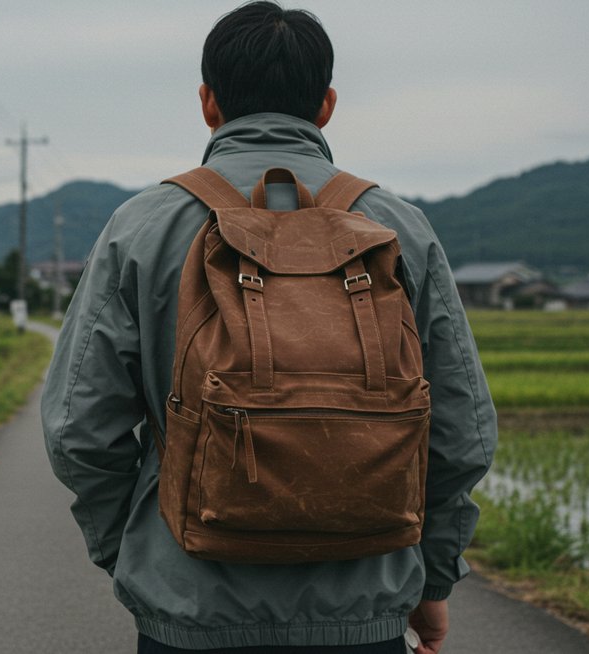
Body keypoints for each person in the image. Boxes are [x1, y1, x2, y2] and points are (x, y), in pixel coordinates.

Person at [40, 2, 496, 653]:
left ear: (208, 102)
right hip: (362, 611)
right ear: (327, 105)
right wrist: (434, 581)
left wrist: (134, 554)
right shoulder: (398, 228)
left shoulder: (143, 227)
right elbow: (464, 433)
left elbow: (78, 430)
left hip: (186, 608)